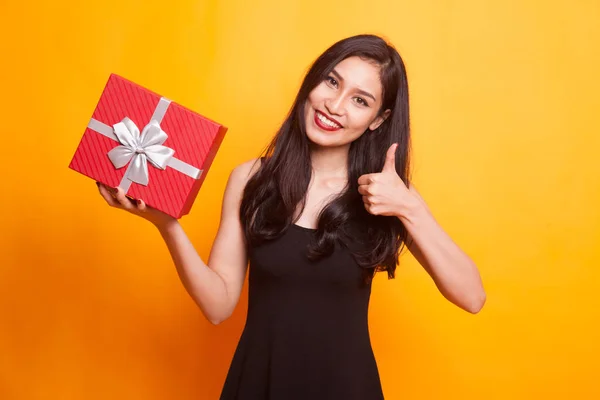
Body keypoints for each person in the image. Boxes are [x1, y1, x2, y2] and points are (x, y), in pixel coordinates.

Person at [97, 34, 486, 400]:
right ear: (312, 82)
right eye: (332, 82)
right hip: (258, 384)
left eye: (360, 100)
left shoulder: (388, 194)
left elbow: (472, 297)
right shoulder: (251, 179)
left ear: (379, 120)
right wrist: (168, 224)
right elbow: (218, 307)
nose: (334, 105)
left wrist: (408, 207)